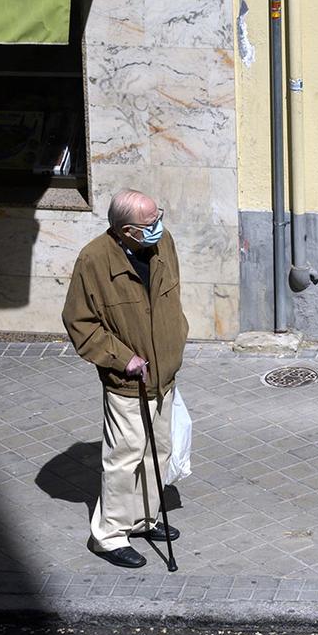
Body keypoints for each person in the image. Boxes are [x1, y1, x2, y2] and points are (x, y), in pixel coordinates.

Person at [62, 190, 189, 568]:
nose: (159, 227)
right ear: (127, 230)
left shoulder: (163, 242)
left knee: (158, 451)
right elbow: (80, 323)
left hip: (164, 374)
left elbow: (171, 298)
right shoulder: (94, 260)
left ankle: (145, 518)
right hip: (128, 380)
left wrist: (176, 337)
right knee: (125, 456)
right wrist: (122, 358)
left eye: (158, 217)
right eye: (150, 223)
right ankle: (109, 535)